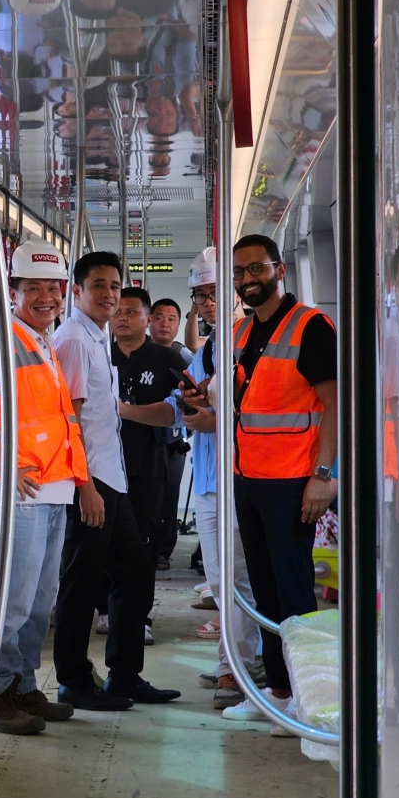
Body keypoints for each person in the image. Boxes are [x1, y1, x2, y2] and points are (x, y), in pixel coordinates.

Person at [184, 233, 338, 736]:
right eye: (240, 272)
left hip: (295, 481)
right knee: (266, 592)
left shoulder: (311, 327)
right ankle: (278, 692)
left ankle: (310, 700)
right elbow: (243, 408)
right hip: (248, 478)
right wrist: (203, 413)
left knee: (294, 594)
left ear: (279, 270)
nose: (248, 279)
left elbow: (336, 405)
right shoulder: (240, 333)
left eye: (256, 269)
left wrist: (325, 475)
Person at [119, 249, 261, 709]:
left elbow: (253, 412)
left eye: (215, 292)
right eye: (201, 295)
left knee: (239, 578)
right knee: (222, 582)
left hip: (245, 474)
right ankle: (236, 662)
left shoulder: (253, 341)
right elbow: (180, 410)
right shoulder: (214, 347)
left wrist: (213, 418)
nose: (208, 302)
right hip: (209, 480)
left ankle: (237, 670)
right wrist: (121, 410)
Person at [0, 239, 89, 735]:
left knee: (38, 603)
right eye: (31, 288)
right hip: (19, 493)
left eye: (52, 288)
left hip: (51, 490)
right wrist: (3, 464)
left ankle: (24, 686)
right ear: (10, 292)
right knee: (11, 601)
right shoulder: (2, 340)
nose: (45, 297)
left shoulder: (42, 341)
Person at [52, 251, 180, 710]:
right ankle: (73, 680)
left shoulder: (97, 336)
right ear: (77, 291)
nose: (109, 294)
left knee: (135, 571)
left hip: (113, 477)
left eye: (114, 285)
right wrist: (84, 486)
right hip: (91, 481)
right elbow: (71, 420)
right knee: (82, 582)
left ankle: (124, 675)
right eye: (99, 285)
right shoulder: (72, 340)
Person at [111, 286, 186, 582]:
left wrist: (128, 412)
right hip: (104, 463)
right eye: (117, 311)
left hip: (149, 462)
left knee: (145, 538)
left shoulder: (167, 359)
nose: (123, 318)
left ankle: (139, 617)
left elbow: (183, 406)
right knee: (107, 538)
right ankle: (105, 609)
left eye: (131, 312)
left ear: (147, 319)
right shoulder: (100, 355)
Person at [149, 296, 193, 568]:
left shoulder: (185, 357)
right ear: (149, 321)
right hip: (143, 437)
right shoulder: (138, 353)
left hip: (173, 440)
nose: (164, 324)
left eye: (171, 319)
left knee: (169, 494)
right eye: (159, 317)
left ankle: (163, 550)